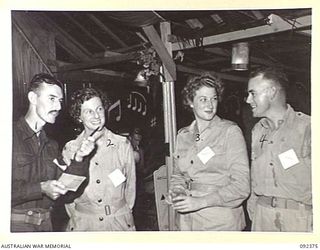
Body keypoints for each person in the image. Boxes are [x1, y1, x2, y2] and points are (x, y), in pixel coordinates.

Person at [11, 73, 94, 232]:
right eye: (52, 98)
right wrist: (40, 188)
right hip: (14, 228)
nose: (58, 107)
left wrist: (79, 158)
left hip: (46, 226)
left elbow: (68, 194)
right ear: (33, 98)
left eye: (60, 101)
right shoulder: (8, 135)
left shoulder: (51, 145)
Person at [169, 73, 250, 231]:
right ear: (190, 102)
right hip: (187, 222)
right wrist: (178, 191)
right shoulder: (183, 135)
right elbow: (178, 174)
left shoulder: (230, 132)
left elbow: (242, 186)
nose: (210, 105)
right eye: (203, 99)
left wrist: (200, 202)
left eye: (213, 98)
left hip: (219, 222)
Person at [246, 66, 312, 232]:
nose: (248, 100)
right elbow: (255, 177)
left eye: (253, 93)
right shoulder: (258, 131)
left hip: (298, 219)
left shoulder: (307, 127)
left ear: (271, 92)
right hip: (262, 217)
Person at [62, 87, 136, 231]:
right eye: (89, 111)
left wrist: (121, 214)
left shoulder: (122, 144)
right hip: (84, 225)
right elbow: (67, 196)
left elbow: (131, 188)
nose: (96, 115)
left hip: (118, 223)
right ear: (79, 116)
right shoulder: (70, 149)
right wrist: (82, 216)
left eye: (99, 109)